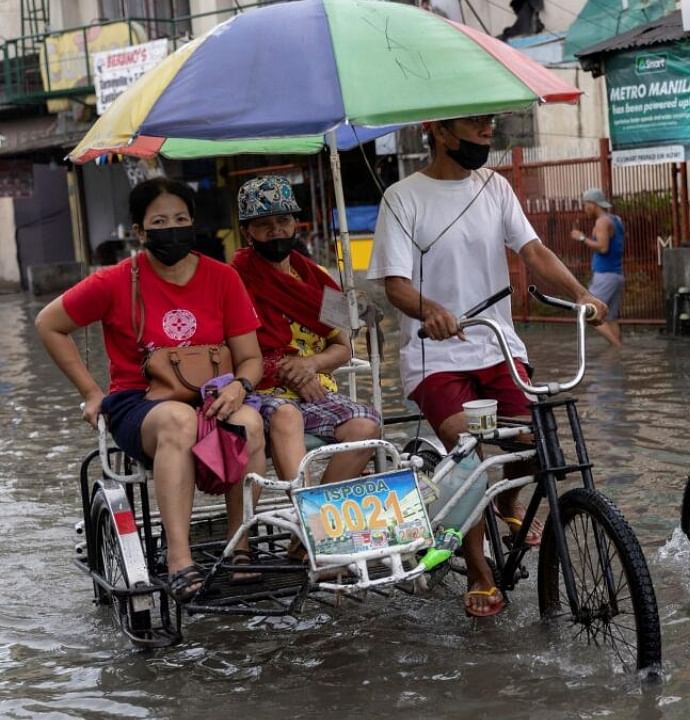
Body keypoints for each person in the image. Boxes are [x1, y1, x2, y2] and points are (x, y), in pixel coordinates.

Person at [367, 113, 608, 618]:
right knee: (469, 457)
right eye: (473, 123)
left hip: (498, 346)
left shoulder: (495, 187)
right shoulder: (402, 197)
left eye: (489, 122)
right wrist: (429, 310)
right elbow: (395, 284)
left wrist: (581, 293)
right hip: (437, 357)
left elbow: (534, 251)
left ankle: (507, 506)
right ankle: (478, 569)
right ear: (438, 131)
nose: (486, 131)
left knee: (530, 441)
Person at [34, 177, 267, 601]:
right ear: (140, 232)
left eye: (181, 219)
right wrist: (90, 392)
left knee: (249, 421)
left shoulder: (223, 278)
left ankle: (241, 548)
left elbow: (251, 357)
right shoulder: (115, 280)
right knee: (178, 421)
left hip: (214, 394)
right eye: (160, 221)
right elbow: (48, 324)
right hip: (139, 403)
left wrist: (239, 386)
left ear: (194, 224)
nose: (172, 228)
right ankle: (180, 559)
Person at [231, 176, 381, 489]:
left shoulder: (317, 277)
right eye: (263, 224)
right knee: (288, 417)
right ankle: (308, 520)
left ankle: (314, 524)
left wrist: (310, 365)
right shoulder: (232, 280)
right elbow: (228, 350)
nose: (276, 231)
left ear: (295, 224)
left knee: (366, 426)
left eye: (283, 220)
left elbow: (344, 348)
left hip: (317, 389)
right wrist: (283, 369)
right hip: (261, 393)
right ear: (247, 231)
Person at [570, 188, 624, 346]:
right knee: (611, 317)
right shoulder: (616, 219)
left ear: (593, 204)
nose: (584, 208)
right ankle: (616, 355)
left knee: (586, 310)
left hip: (605, 275)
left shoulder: (602, 222)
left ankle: (617, 347)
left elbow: (603, 247)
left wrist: (582, 238)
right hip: (616, 274)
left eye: (586, 204)